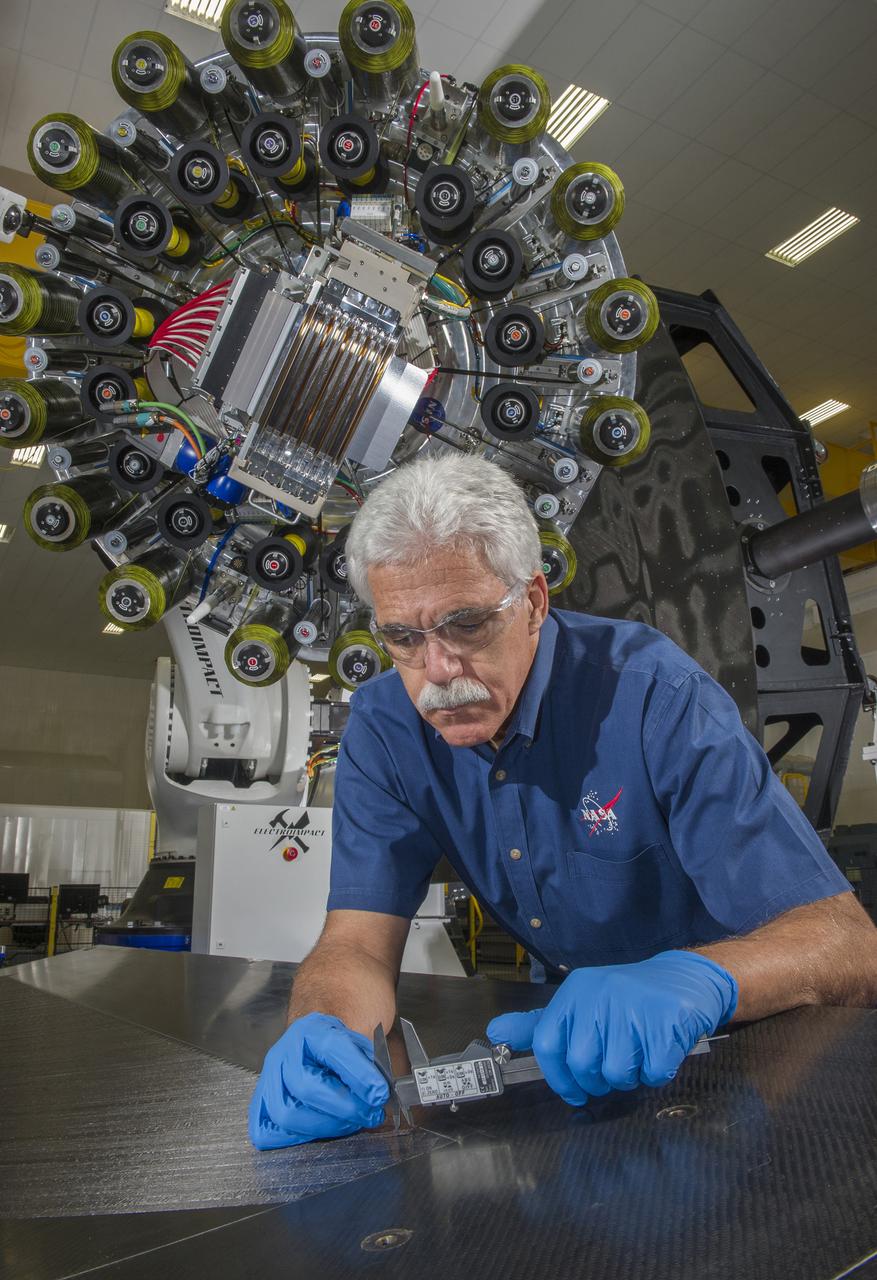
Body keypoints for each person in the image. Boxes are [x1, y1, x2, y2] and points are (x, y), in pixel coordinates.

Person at [249, 453, 877, 1149]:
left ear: (533, 603)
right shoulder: (384, 725)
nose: (437, 673)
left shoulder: (653, 697)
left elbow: (847, 946)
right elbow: (356, 945)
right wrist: (325, 1027)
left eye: (466, 625)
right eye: (402, 636)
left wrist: (703, 981)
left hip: (745, 1049)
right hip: (576, 1057)